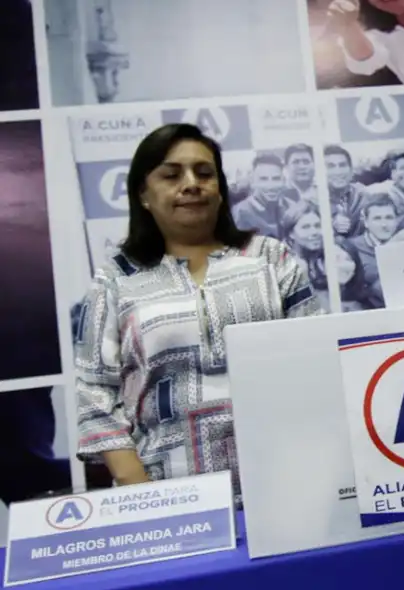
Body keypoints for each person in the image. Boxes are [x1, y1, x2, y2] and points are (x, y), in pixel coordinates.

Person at [75, 124, 324, 503]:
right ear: (143, 193)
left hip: (284, 488)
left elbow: (316, 363)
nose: (191, 184)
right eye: (172, 174)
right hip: (166, 498)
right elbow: (95, 394)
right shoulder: (116, 278)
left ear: (221, 190)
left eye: (204, 173)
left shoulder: (270, 259)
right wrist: (142, 496)